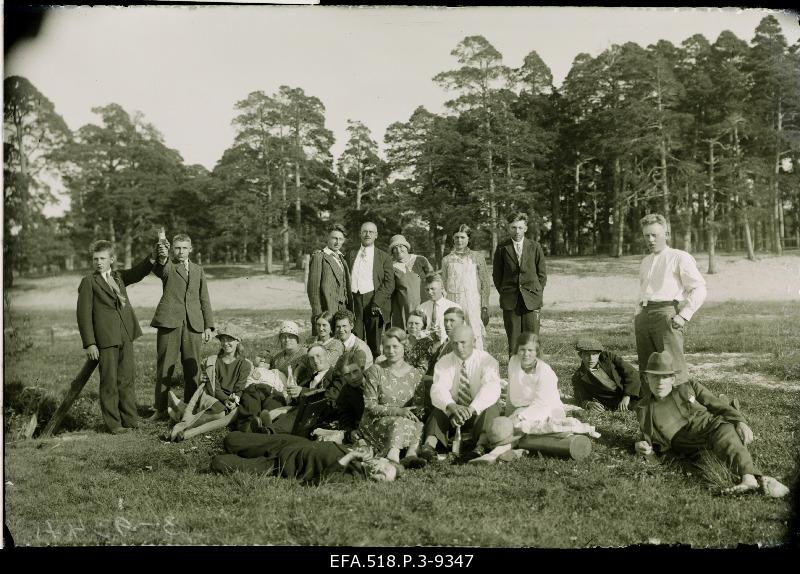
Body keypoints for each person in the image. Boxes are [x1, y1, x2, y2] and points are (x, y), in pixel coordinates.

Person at [635, 351, 789, 498]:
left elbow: (717, 406)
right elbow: (649, 442)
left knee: (725, 433)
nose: (660, 382)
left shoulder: (690, 387)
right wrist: (644, 449)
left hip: (711, 428)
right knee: (707, 465)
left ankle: (748, 478)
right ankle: (762, 480)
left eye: (665, 377)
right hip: (690, 449)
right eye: (655, 377)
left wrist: (739, 421)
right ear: (647, 378)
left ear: (673, 379)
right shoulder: (644, 408)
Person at [76, 240, 157, 434]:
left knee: (126, 379)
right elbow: (83, 315)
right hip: (105, 340)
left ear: (112, 259)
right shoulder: (88, 282)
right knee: (109, 382)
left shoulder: (118, 277)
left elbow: (138, 272)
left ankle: (130, 420)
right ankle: (113, 424)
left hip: (125, 335)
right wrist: (90, 343)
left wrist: (152, 257)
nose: (98, 262)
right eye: (95, 259)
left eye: (103, 258)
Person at [635, 213, 707, 398]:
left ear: (666, 234)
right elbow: (643, 291)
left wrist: (684, 315)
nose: (650, 240)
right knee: (648, 367)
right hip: (644, 316)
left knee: (673, 367)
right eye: (646, 236)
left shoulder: (679, 257)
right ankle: (652, 413)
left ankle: (685, 409)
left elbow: (699, 288)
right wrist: (638, 314)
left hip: (666, 315)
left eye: (655, 235)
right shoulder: (645, 262)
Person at [149, 233, 215, 421]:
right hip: (169, 323)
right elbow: (161, 264)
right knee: (165, 368)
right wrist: (162, 252)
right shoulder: (169, 266)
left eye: (184, 248)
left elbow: (204, 299)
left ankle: (190, 407)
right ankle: (160, 409)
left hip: (193, 325)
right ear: (172, 249)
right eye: (177, 248)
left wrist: (208, 326)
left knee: (192, 368)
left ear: (191, 249)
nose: (181, 251)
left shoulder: (198, 270)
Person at [417, 325, 503, 462]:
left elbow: (491, 388)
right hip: (454, 413)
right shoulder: (444, 361)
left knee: (492, 408)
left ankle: (480, 448)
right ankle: (428, 447)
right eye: (455, 343)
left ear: (474, 341)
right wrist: (451, 406)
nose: (459, 347)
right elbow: (439, 388)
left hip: (477, 411)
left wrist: (472, 409)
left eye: (463, 342)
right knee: (439, 408)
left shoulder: (487, 360)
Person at [166, 323, 252, 442]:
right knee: (220, 413)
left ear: (238, 341)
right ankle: (180, 426)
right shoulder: (213, 361)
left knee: (227, 413)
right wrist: (225, 400)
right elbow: (214, 388)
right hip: (212, 396)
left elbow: (240, 387)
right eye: (223, 339)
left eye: (230, 339)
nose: (226, 343)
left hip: (230, 401)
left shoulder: (245, 364)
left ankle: (182, 414)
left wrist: (235, 399)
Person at [211, 432, 402, 484]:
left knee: (219, 462)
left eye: (382, 477)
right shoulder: (365, 456)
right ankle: (255, 439)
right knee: (231, 439)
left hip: (281, 464)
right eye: (384, 469)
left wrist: (349, 456)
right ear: (383, 461)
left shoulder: (353, 478)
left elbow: (320, 481)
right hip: (292, 443)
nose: (378, 471)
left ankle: (242, 455)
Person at [359, 328, 427, 468]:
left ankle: (411, 454)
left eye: (395, 346)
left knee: (418, 424)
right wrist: (398, 411)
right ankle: (394, 455)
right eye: (387, 347)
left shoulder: (415, 374)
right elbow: (370, 405)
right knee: (398, 421)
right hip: (375, 421)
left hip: (404, 422)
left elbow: (418, 408)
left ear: (404, 347)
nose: (391, 351)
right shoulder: (375, 370)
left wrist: (413, 414)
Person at [492, 212, 547, 356]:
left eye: (520, 228)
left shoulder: (535, 247)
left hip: (531, 300)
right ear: (508, 228)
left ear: (526, 228)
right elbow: (497, 276)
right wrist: (506, 292)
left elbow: (542, 275)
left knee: (532, 341)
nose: (517, 231)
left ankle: (533, 375)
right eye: (513, 227)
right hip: (510, 301)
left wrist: (535, 294)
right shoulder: (502, 248)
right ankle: (515, 376)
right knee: (514, 342)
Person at [348, 221, 395, 358]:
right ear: (360, 234)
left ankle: (374, 370)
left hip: (374, 302)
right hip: (354, 300)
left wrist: (377, 302)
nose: (367, 234)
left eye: (371, 232)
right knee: (356, 339)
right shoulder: (351, 254)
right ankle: (357, 372)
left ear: (376, 235)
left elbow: (389, 283)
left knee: (374, 341)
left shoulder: (384, 257)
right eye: (364, 231)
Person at [441, 225, 490, 350]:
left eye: (462, 237)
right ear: (453, 239)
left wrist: (484, 306)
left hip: (473, 301)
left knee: (474, 331)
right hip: (453, 300)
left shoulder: (477, 257)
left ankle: (478, 363)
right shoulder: (447, 260)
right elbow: (444, 283)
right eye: (456, 237)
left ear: (468, 239)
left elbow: (485, 282)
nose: (459, 240)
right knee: (455, 332)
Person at [570, 337, 641, 412]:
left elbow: (631, 372)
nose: (591, 359)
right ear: (580, 355)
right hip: (617, 403)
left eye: (594, 354)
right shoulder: (578, 377)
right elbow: (580, 396)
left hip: (634, 389)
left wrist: (627, 396)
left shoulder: (608, 357)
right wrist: (588, 404)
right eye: (587, 355)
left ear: (599, 354)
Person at [307, 224, 352, 335]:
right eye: (334, 238)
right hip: (327, 309)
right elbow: (313, 290)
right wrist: (318, 315)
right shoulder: (319, 257)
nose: (337, 242)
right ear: (327, 238)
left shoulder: (342, 258)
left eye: (340, 239)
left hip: (343, 309)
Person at [388, 234, 433, 331]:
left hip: (423, 305)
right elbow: (389, 288)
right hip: (403, 309)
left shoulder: (420, 260)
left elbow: (433, 277)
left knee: (425, 332)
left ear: (406, 247)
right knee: (407, 335)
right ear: (392, 252)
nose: (398, 250)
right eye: (394, 248)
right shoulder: (391, 267)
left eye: (401, 246)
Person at [416, 274, 460, 346]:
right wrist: (427, 333)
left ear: (442, 288)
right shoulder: (420, 309)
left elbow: (461, 333)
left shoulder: (454, 308)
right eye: (427, 289)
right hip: (426, 350)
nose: (429, 292)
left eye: (433, 289)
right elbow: (415, 334)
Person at [335, 357, 367, 443]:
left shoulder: (375, 380)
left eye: (355, 371)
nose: (353, 377)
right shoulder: (345, 393)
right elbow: (345, 421)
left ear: (362, 368)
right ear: (342, 376)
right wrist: (351, 432)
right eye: (347, 374)